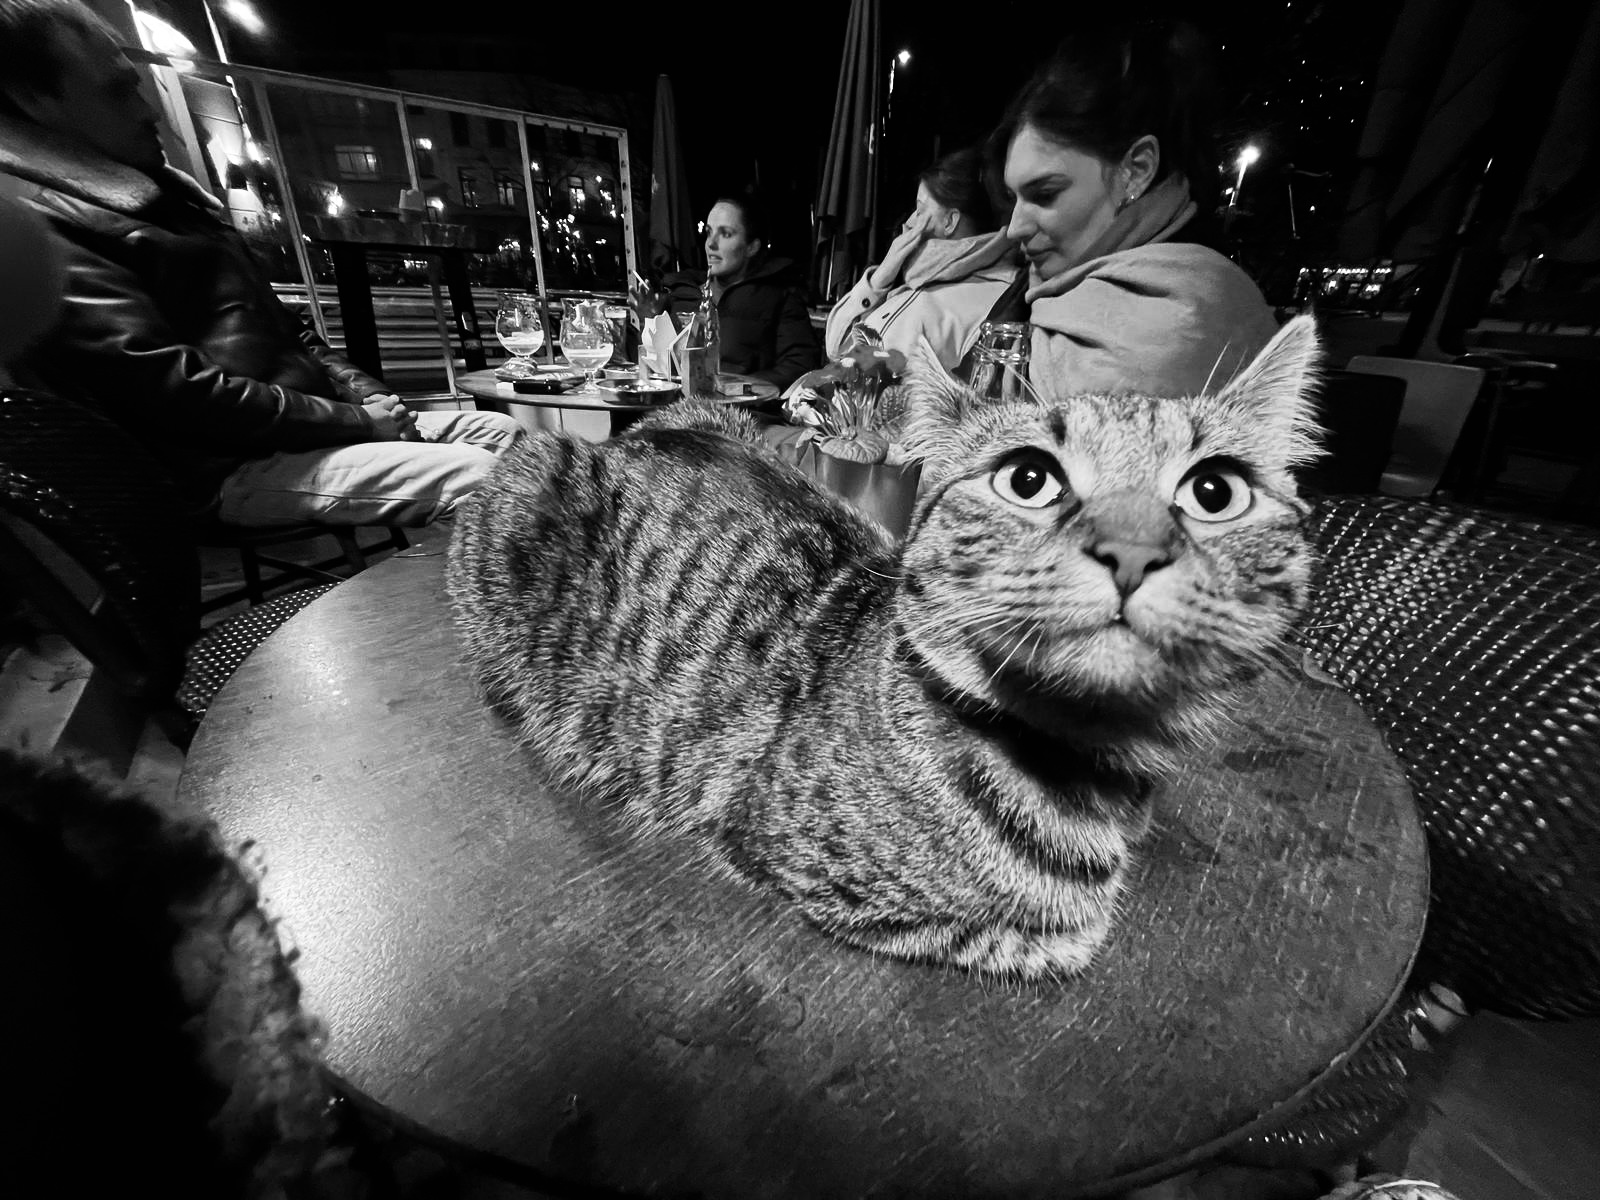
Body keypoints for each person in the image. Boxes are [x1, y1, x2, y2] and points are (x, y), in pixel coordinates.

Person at [0, 0, 521, 528]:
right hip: (223, 467)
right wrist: (357, 421)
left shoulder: (171, 207)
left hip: (311, 433)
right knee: (478, 477)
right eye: (118, 91)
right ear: (32, 101)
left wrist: (378, 403)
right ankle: (489, 580)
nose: (149, 110)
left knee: (506, 438)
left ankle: (511, 573)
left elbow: (295, 335)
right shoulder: (45, 227)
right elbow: (175, 393)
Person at [991, 19, 1280, 401]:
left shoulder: (1175, 328)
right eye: (1013, 198)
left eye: (1045, 195)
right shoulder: (1050, 294)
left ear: (1136, 171)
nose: (1014, 228)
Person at [824, 147, 1018, 370]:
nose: (909, 222)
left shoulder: (995, 299)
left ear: (949, 222)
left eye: (920, 209)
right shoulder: (918, 280)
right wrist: (878, 280)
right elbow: (837, 348)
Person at [663, 190, 819, 392]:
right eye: (709, 232)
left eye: (726, 234)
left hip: (745, 409)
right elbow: (663, 368)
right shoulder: (685, 292)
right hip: (679, 407)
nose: (711, 244)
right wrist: (649, 321)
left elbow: (798, 367)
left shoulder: (780, 297)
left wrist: (736, 389)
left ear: (751, 247)